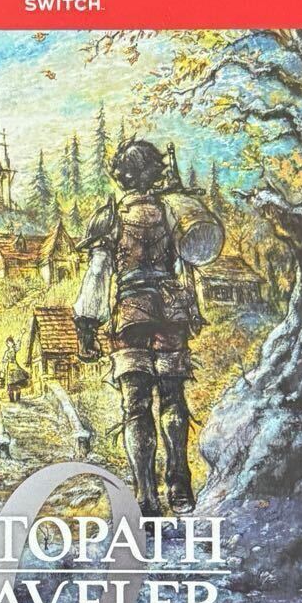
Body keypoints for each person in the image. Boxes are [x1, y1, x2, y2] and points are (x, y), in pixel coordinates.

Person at [72, 138, 206, 515]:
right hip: (171, 314)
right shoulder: (172, 212)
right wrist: (192, 310)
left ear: (122, 177)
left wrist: (87, 323)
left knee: (136, 407)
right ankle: (179, 482)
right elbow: (186, 267)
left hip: (131, 318)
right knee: (173, 398)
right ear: (155, 173)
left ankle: (146, 496)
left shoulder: (111, 218)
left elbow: (98, 274)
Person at [0, 336, 29, 403]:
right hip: (10, 368)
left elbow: (18, 346)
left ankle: (18, 399)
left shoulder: (14, 349)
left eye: (10, 343)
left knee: (17, 383)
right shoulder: (7, 352)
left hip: (15, 367)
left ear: (12, 343)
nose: (9, 344)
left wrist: (20, 337)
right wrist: (2, 368)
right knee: (10, 384)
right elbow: (4, 361)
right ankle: (11, 399)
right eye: (8, 343)